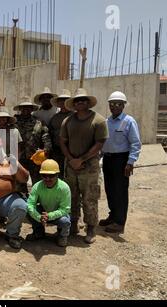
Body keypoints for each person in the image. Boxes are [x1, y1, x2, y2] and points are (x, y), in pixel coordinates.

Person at [60, 88, 109, 244]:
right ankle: (73, 224)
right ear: (73, 104)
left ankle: (91, 228)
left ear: (88, 102)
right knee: (71, 197)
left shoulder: (98, 120)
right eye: (77, 100)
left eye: (83, 100)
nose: (80, 102)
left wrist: (82, 159)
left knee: (90, 198)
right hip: (71, 165)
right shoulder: (67, 121)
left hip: (90, 166)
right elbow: (63, 141)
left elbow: (100, 143)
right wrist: (71, 159)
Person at [100, 91, 142, 234]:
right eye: (112, 104)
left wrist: (130, 162)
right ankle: (113, 216)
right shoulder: (107, 122)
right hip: (108, 159)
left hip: (121, 160)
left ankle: (120, 222)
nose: (115, 106)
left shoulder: (129, 121)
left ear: (123, 106)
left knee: (120, 191)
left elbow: (136, 143)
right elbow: (104, 143)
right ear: (109, 106)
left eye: (118, 104)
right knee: (110, 189)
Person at [26, 160, 71, 247]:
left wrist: (50, 215)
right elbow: (30, 204)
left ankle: (62, 235)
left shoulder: (64, 188)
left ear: (57, 175)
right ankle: (38, 232)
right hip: (43, 214)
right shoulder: (37, 186)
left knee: (65, 221)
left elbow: (65, 209)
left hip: (58, 214)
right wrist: (39, 217)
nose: (47, 179)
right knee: (27, 210)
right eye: (44, 176)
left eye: (51, 176)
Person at [14, 96, 52, 191]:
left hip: (35, 158)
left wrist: (45, 150)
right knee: (19, 182)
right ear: (20, 109)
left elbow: (46, 138)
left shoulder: (39, 123)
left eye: (28, 107)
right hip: (19, 158)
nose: (25, 109)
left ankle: (38, 202)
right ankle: (21, 202)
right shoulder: (13, 123)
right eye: (23, 107)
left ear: (31, 109)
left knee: (38, 183)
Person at [48, 89, 74, 179]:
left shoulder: (75, 116)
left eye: (65, 100)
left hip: (72, 151)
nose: (63, 102)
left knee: (70, 175)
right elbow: (50, 134)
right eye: (61, 100)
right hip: (57, 150)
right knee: (57, 173)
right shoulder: (54, 118)